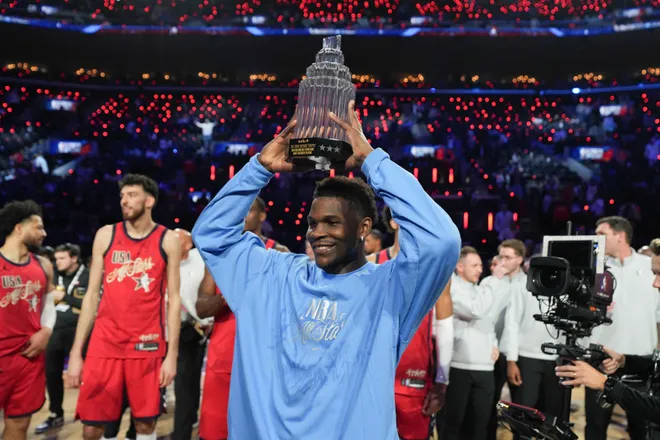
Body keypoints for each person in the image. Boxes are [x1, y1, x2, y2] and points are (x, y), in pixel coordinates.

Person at [191, 101, 461, 439]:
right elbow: (210, 235)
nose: (317, 232)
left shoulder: (391, 290)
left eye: (331, 223)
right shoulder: (272, 274)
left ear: (364, 228)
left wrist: (372, 162)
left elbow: (442, 241)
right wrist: (259, 167)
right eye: (313, 223)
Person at [66, 174, 182, 440]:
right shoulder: (106, 235)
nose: (124, 201)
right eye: (122, 196)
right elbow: (92, 295)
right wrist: (76, 352)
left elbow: (173, 300)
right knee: (91, 428)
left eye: (131, 195)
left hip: (147, 345)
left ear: (149, 201)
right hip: (104, 344)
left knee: (145, 424)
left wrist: (171, 354)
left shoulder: (167, 239)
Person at [556, 237, 660, 436]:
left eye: (659, 274)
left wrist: (605, 384)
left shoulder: (641, 264)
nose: (655, 284)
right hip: (609, 363)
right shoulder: (598, 268)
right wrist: (624, 361)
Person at [369, 206, 454, 440]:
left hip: (414, 378)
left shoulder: (437, 269)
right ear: (394, 222)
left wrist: (442, 381)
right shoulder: (369, 263)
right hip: (371, 376)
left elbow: (445, 326)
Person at [196, 232, 288, 440]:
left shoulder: (279, 253)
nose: (244, 214)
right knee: (213, 433)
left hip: (263, 363)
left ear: (262, 215)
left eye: (251, 209)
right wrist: (232, 292)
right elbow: (201, 308)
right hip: (223, 360)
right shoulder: (219, 256)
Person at [584, 216, 660, 440]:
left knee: (641, 428)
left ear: (620, 236)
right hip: (604, 359)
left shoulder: (649, 265)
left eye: (601, 234)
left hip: (641, 362)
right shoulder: (594, 268)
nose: (595, 238)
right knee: (595, 426)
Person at [0, 200, 56, 440]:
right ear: (19, 228)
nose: (43, 233)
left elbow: (48, 304)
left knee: (20, 423)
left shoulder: (43, 265)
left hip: (29, 357)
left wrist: (47, 330)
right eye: (38, 227)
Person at [442, 246, 507, 440]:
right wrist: (495, 279)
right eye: (475, 265)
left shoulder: (480, 289)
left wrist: (493, 343)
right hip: (459, 366)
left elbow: (489, 320)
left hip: (485, 368)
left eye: (480, 265)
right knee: (453, 424)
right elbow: (476, 310)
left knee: (480, 425)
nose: (480, 269)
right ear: (460, 267)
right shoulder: (451, 288)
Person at [502, 239, 563, 436]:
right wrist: (512, 360)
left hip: (556, 361)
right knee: (524, 420)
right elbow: (512, 324)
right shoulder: (523, 287)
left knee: (553, 419)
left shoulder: (564, 289)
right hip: (526, 359)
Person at [36, 243, 90, 434]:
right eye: (56, 259)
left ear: (74, 259)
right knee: (52, 375)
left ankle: (89, 413)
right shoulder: (53, 274)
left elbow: (91, 304)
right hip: (54, 332)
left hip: (80, 333)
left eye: (61, 258)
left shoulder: (88, 275)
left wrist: (65, 296)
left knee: (87, 376)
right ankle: (55, 414)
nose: (57, 262)